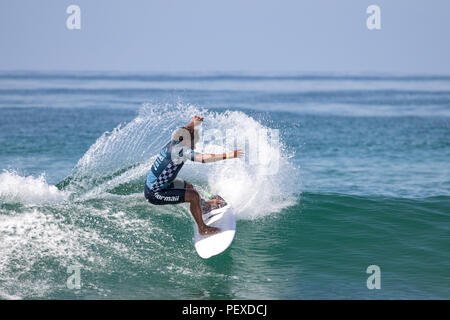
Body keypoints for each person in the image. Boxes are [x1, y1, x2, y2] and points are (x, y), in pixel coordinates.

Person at [144, 115, 243, 235]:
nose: (194, 146)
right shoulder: (182, 151)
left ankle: (203, 205)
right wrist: (229, 155)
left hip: (155, 184)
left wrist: (193, 123)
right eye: (193, 143)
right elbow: (203, 158)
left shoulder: (174, 141)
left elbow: (184, 129)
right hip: (155, 193)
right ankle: (203, 229)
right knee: (193, 196)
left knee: (189, 186)